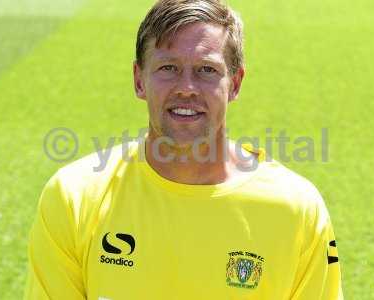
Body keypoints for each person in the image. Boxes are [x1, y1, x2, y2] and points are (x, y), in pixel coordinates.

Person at [24, 0, 343, 299]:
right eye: (168, 68)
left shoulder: (296, 209)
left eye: (206, 70)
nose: (186, 88)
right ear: (139, 80)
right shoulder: (73, 198)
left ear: (235, 84)